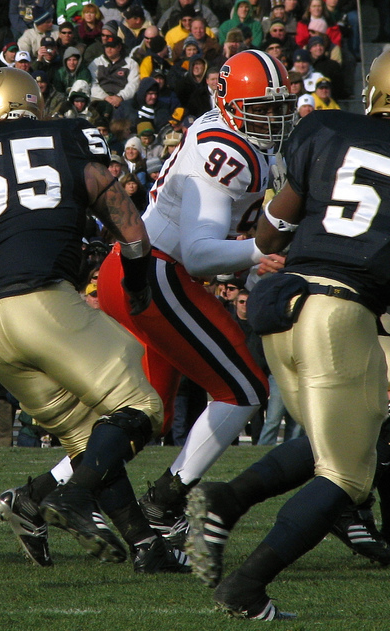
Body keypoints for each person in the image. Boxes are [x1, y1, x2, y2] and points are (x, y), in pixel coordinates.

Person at [194, 43, 390, 620]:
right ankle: (248, 586)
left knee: (335, 442)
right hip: (340, 310)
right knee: (350, 473)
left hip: (276, 304)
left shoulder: (322, 130)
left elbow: (275, 231)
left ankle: (226, 501)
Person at [0, 68, 183, 573]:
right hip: (43, 301)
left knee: (87, 434)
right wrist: (137, 289)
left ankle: (145, 546)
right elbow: (133, 232)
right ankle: (73, 498)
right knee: (142, 403)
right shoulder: (68, 137)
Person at [94, 50, 293, 545]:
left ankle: (44, 492)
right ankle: (165, 502)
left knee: (148, 412)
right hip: (160, 271)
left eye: (277, 107)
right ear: (229, 104)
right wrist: (257, 252)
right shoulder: (229, 152)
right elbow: (202, 254)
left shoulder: (235, 135)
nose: (271, 118)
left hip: (138, 266)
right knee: (245, 389)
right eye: (260, 108)